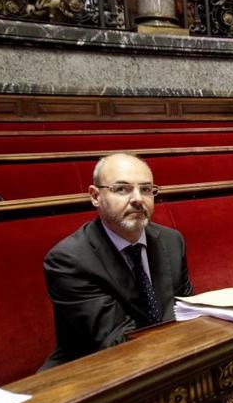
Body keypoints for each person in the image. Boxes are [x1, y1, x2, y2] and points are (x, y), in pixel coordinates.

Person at [40, 153, 192, 369]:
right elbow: (114, 340)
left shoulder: (172, 240)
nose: (138, 199)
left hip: (166, 361)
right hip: (94, 374)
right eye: (122, 189)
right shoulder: (69, 260)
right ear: (95, 196)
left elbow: (186, 311)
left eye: (146, 189)